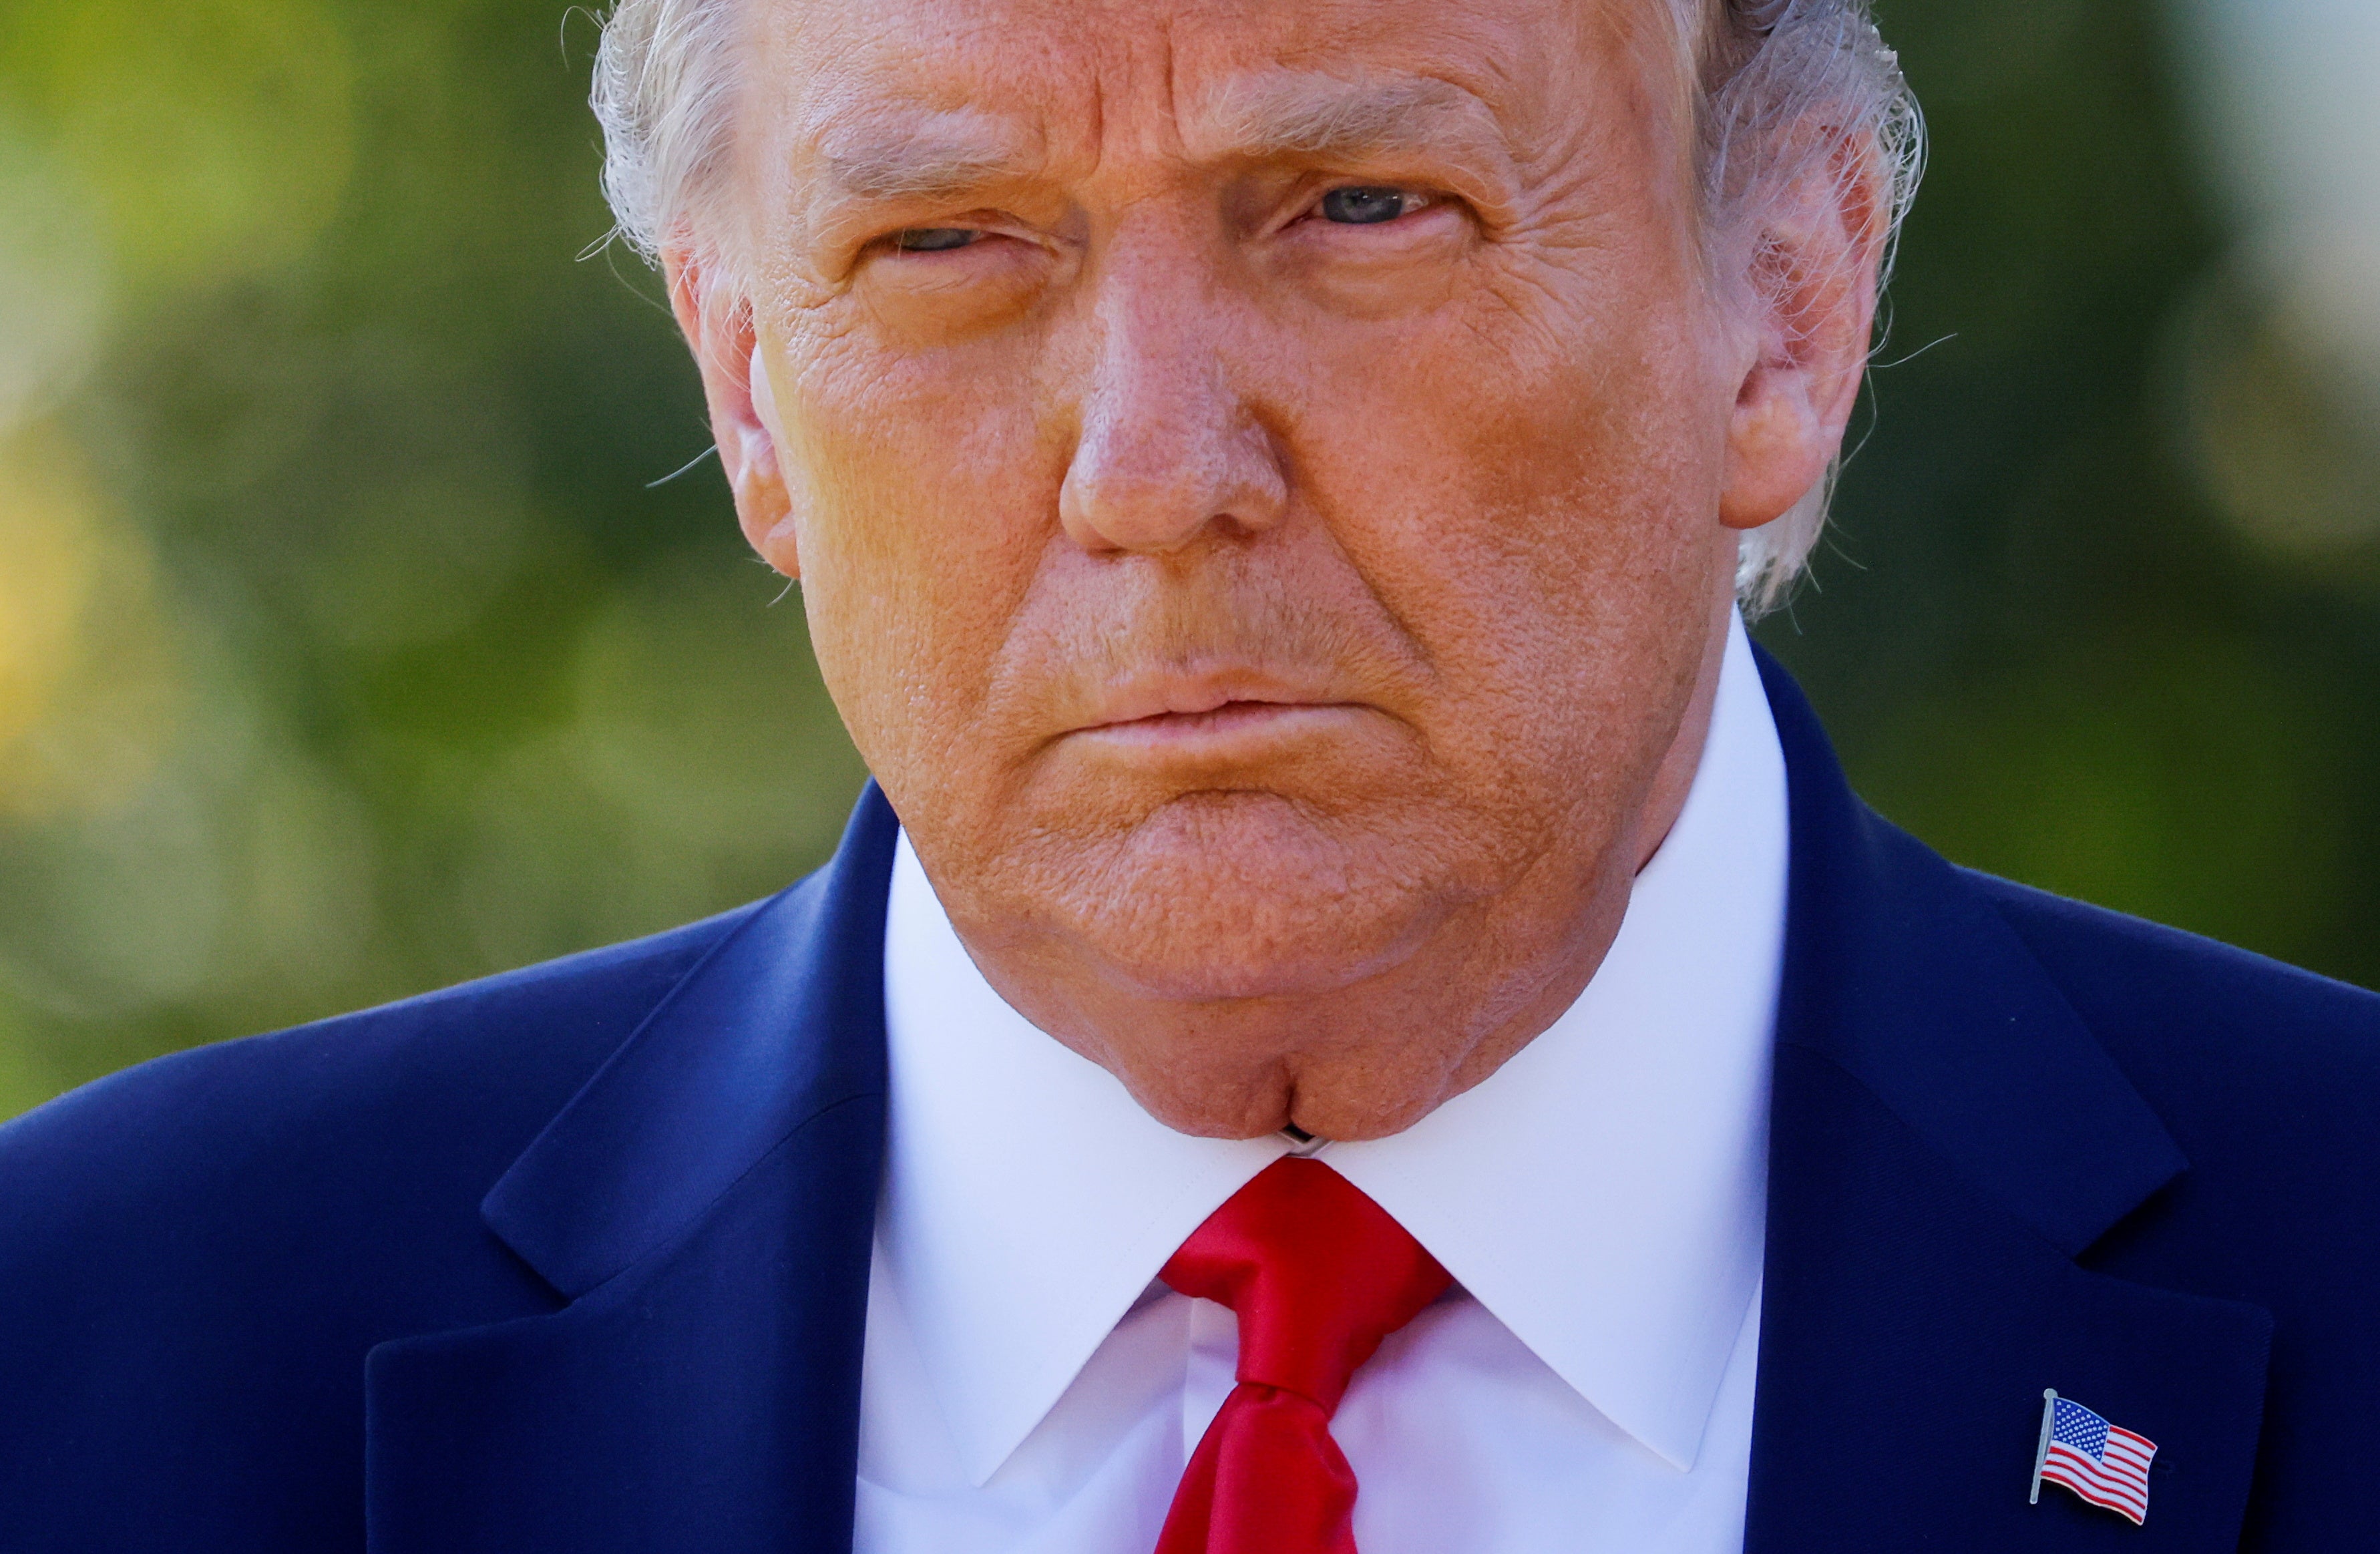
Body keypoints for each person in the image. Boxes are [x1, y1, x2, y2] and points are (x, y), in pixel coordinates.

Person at [2, 0, 2374, 1547]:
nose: (1153, 465)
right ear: (744, 389)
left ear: (1787, 299)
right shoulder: (94, 1363)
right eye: (944, 240)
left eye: (1359, 208)